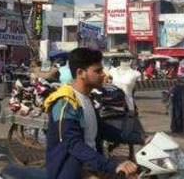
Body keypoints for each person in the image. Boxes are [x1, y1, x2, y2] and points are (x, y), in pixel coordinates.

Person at [45, 48, 141, 179]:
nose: (103, 75)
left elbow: (102, 129)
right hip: (73, 171)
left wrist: (140, 138)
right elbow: (74, 145)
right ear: (81, 73)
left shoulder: (85, 98)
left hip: (92, 166)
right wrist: (113, 166)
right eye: (98, 71)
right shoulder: (65, 103)